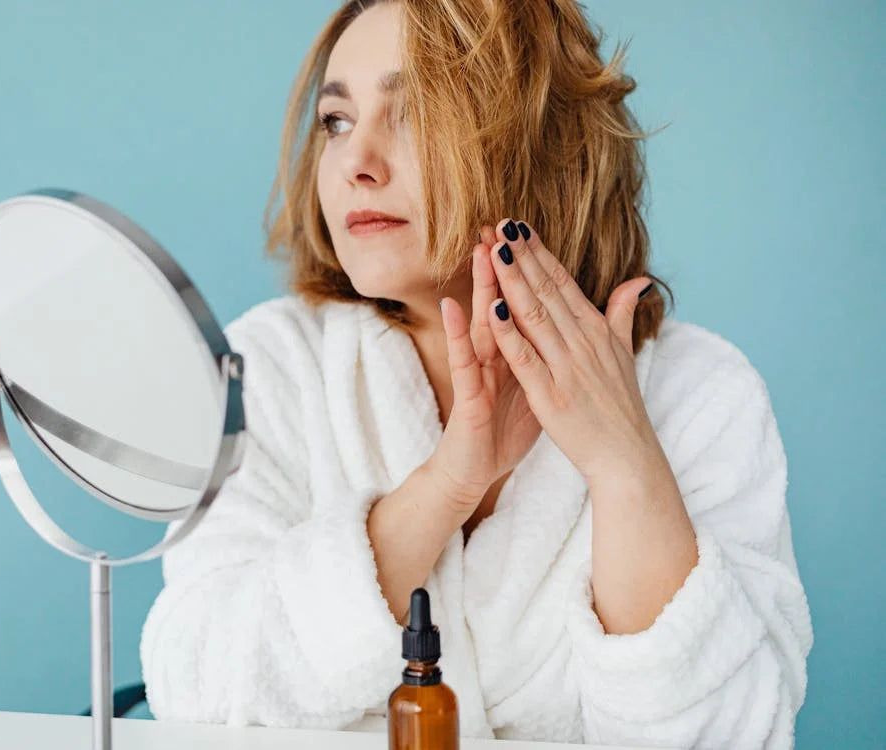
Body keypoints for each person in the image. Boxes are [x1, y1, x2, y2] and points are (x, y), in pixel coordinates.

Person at [140, 1, 813, 746]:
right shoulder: (268, 368)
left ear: (538, 143)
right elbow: (194, 687)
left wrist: (625, 465)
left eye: (414, 114)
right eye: (335, 121)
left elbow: (736, 732)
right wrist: (445, 484)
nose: (355, 161)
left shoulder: (698, 392)